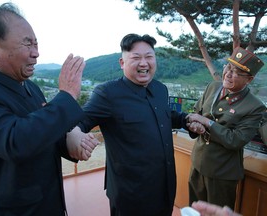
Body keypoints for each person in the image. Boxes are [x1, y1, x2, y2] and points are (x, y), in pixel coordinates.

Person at [0, 3, 98, 216]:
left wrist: (68, 142)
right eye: (27, 44)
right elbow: (15, 141)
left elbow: (40, 132)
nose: (36, 53)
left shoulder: (31, 87)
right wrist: (68, 95)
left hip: (49, 203)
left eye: (36, 44)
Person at [77, 33, 205, 216]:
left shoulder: (160, 89)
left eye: (149, 57)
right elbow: (81, 120)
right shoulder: (107, 93)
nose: (143, 63)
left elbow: (164, 115)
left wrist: (186, 119)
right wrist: (75, 135)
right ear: (122, 63)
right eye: (136, 58)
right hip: (130, 192)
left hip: (165, 185)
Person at [187, 47, 266, 210]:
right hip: (197, 163)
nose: (228, 74)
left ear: (249, 79)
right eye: (228, 67)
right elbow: (196, 112)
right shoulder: (212, 87)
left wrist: (208, 123)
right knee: (194, 211)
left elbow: (235, 140)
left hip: (222, 173)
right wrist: (194, 125)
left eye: (237, 72)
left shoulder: (255, 107)